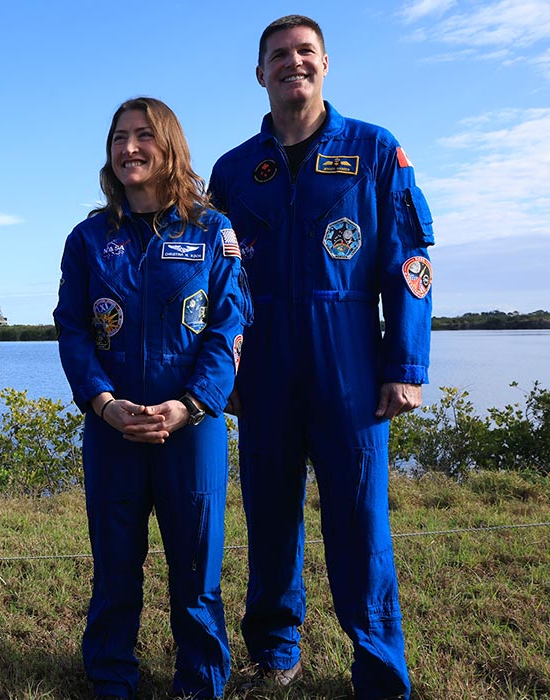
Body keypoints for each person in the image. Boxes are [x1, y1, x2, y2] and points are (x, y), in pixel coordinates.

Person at [208, 15, 434, 699]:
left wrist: (406, 365)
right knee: (270, 515)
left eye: (305, 52)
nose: (292, 63)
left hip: (350, 361)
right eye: (279, 55)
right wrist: (226, 374)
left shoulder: (373, 151)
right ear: (260, 73)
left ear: (326, 64)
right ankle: (276, 651)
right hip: (265, 363)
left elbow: (410, 264)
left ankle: (378, 665)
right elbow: (214, 286)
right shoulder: (235, 171)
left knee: (360, 519)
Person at [54, 97, 250, 700]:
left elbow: (231, 324)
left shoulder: (213, 231)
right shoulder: (89, 238)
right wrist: (104, 403)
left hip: (191, 426)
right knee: (115, 567)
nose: (130, 147)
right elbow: (73, 329)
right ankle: (112, 674)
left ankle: (201, 679)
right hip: (113, 427)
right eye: (119, 137)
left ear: (170, 146)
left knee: (195, 571)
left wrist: (191, 404)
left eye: (143, 136)